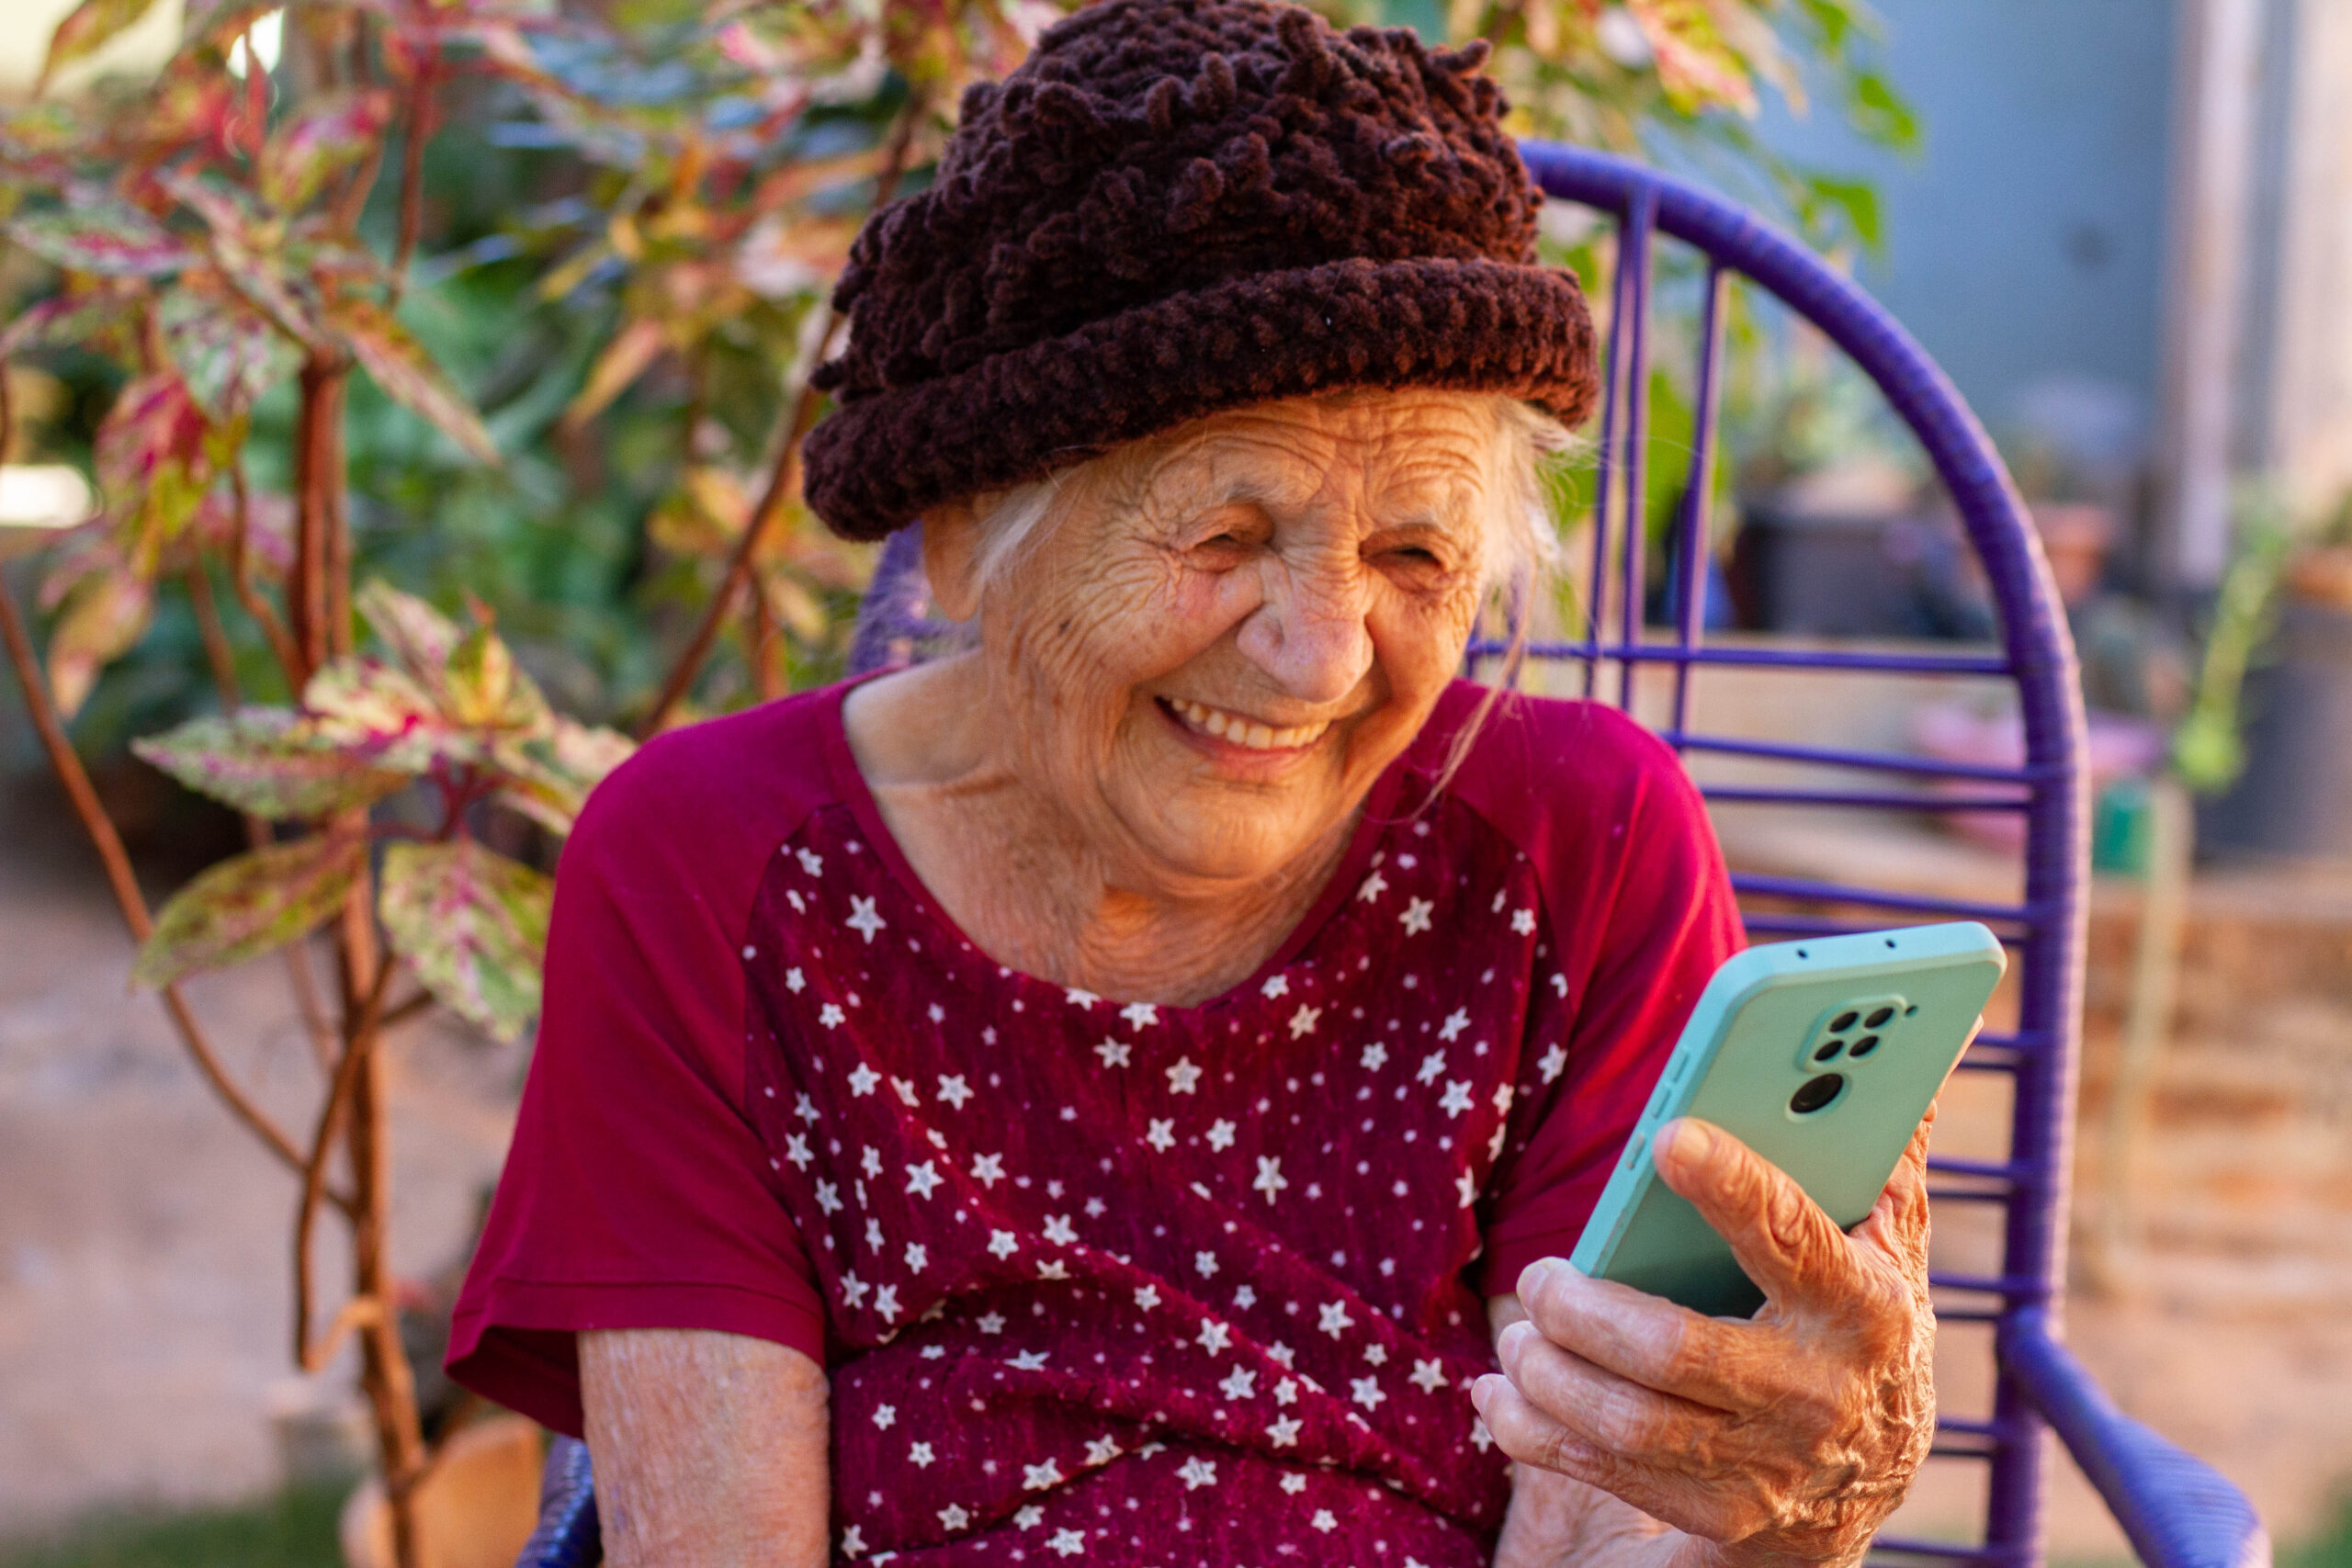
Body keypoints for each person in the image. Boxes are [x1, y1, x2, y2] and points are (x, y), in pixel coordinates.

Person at [447, 2, 1943, 1562]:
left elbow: (1611, 1533)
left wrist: (1790, 1507)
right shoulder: (710, 870)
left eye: (1415, 553)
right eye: (1223, 537)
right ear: (963, 529)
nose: (1319, 657)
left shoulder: (1581, 842)